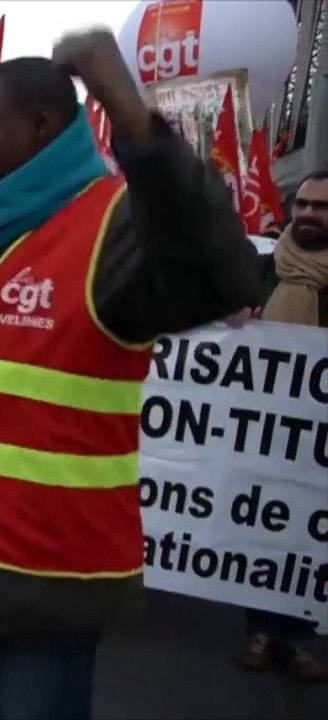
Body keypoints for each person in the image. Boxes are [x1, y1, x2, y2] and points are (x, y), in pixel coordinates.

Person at [0, 32, 261, 719]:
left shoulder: (109, 226)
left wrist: (123, 103)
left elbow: (221, 272)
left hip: (43, 588)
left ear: (43, 125)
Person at [229, 170, 328, 685]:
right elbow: (221, 317)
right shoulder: (265, 267)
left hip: (321, 438)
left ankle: (295, 636)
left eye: (322, 207)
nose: (309, 213)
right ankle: (263, 632)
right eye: (304, 204)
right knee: (266, 528)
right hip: (265, 429)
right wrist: (235, 318)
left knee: (312, 536)